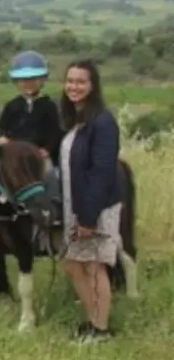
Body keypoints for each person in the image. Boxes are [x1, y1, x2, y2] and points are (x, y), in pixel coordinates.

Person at [59, 60, 124, 344]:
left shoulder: (103, 122)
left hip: (95, 208)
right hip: (76, 205)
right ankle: (92, 321)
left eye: (81, 82)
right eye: (70, 81)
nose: (74, 86)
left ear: (93, 85)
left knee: (95, 266)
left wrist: (87, 219)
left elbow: (101, 172)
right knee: (74, 265)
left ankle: (101, 330)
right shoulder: (79, 119)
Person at [0, 51, 62, 167]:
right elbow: (3, 129)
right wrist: (3, 139)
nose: (28, 83)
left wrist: (47, 150)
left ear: (42, 80)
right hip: (16, 154)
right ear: (16, 82)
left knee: (49, 173)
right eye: (23, 80)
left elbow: (56, 133)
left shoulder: (49, 106)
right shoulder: (11, 106)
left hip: (40, 155)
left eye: (33, 79)